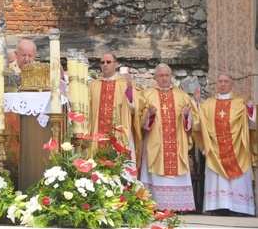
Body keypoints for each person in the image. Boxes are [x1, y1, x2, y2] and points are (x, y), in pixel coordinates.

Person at [193, 74, 256, 216]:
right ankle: (217, 206)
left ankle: (240, 208)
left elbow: (252, 124)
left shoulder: (241, 102)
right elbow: (198, 125)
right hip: (215, 149)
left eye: (226, 82)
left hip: (237, 148)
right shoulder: (208, 104)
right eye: (220, 81)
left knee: (237, 179)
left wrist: (250, 104)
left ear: (231, 84)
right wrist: (196, 104)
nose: (222, 84)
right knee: (217, 179)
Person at [140, 63, 197, 212]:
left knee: (177, 171)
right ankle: (156, 205)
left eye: (167, 75)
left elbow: (193, 120)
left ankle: (178, 206)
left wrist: (186, 116)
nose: (164, 78)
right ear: (155, 78)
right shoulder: (147, 95)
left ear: (171, 77)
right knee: (154, 171)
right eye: (161, 75)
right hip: (155, 142)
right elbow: (138, 120)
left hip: (176, 142)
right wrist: (149, 114)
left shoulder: (181, 95)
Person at [88, 53, 144, 166]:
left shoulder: (124, 84)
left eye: (108, 62)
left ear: (116, 64)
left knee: (121, 168)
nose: (105, 65)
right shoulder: (94, 85)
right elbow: (87, 110)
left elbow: (135, 109)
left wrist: (129, 89)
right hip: (97, 133)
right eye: (102, 62)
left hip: (120, 134)